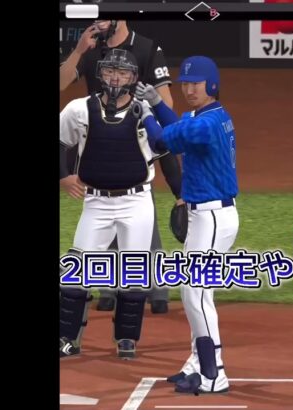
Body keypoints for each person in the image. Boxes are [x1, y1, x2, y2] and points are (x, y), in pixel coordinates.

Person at [60, 17, 181, 314]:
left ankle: (156, 291)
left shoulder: (146, 48)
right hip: (99, 137)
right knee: (104, 215)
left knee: (140, 218)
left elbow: (167, 104)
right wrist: (78, 51)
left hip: (140, 131)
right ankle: (109, 290)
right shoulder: (91, 49)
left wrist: (146, 113)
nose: (99, 22)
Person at [134, 56, 238, 394]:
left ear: (211, 84)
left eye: (196, 83)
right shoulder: (205, 116)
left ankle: (214, 373)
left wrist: (145, 112)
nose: (189, 89)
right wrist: (155, 102)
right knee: (194, 293)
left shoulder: (206, 125)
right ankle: (196, 363)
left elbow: (161, 141)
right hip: (203, 216)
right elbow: (177, 124)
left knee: (196, 293)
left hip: (212, 217)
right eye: (185, 83)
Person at [59, 49, 162, 360]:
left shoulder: (145, 112)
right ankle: (68, 337)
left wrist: (181, 195)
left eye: (123, 72)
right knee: (76, 271)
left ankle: (127, 339)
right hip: (96, 202)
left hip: (137, 201)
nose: (115, 78)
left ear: (133, 78)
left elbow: (165, 152)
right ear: (101, 74)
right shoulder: (79, 109)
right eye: (110, 71)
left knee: (133, 274)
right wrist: (64, 176)